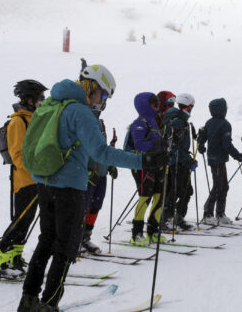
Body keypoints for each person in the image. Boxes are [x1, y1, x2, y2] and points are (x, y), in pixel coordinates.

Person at [17, 64, 167, 312]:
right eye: (104, 94)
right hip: (70, 188)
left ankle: (28, 300)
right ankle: (49, 304)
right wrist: (144, 161)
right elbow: (101, 152)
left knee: (46, 242)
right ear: (92, 87)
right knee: (65, 248)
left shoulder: (51, 104)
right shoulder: (80, 112)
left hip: (44, 183)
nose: (103, 101)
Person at [0, 80, 47, 279]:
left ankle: (15, 257)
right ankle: (1, 261)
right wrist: (38, 170)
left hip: (37, 180)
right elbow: (18, 156)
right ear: (29, 99)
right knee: (19, 221)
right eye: (41, 97)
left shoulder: (35, 118)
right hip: (24, 181)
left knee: (27, 221)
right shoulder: (18, 122)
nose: (43, 101)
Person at [198, 98, 242, 225]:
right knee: (219, 186)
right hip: (218, 159)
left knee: (222, 186)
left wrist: (201, 145)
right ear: (222, 109)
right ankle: (208, 214)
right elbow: (227, 145)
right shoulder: (225, 124)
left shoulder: (209, 122)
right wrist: (239, 157)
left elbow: (202, 138)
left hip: (213, 158)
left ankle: (220, 213)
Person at [80, 84, 117, 254]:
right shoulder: (85, 120)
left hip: (100, 173)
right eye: (102, 98)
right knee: (82, 208)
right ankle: (76, 240)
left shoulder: (100, 123)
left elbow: (101, 149)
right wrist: (88, 170)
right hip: (88, 174)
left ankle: (85, 237)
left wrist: (109, 164)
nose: (103, 103)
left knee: (95, 206)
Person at [126, 92, 166, 245]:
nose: (156, 106)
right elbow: (139, 145)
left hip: (155, 164)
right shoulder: (140, 122)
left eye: (157, 103)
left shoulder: (154, 122)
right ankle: (136, 234)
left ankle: (153, 231)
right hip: (143, 165)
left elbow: (157, 144)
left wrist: (163, 153)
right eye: (153, 103)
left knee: (158, 196)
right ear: (144, 105)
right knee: (145, 197)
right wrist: (157, 146)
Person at [161, 93, 196, 231]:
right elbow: (174, 146)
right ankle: (165, 218)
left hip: (181, 161)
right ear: (189, 106)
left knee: (186, 190)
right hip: (176, 162)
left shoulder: (181, 119)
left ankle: (178, 217)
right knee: (176, 190)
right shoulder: (178, 121)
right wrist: (187, 159)